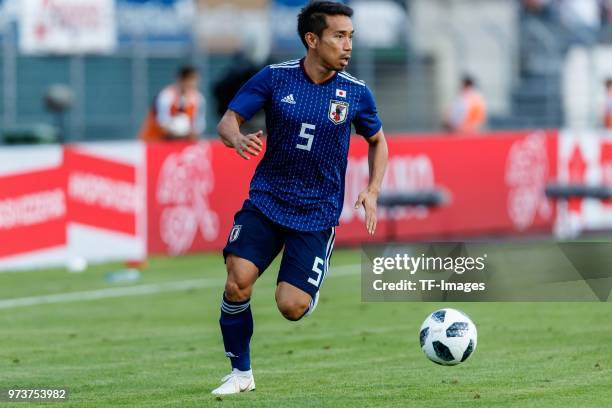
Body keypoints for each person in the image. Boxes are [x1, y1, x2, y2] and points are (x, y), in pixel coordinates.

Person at [212, 0, 388, 395]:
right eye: (339, 36)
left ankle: (308, 283)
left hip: (316, 211)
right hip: (268, 200)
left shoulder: (356, 93)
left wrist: (373, 189)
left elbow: (378, 142)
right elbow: (227, 121)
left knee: (290, 306)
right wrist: (237, 138)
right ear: (312, 39)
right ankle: (241, 373)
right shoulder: (275, 79)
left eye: (351, 37)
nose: (348, 46)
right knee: (237, 282)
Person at [138, 65, 205, 142]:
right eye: (190, 80)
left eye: (195, 80)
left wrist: (190, 133)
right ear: (181, 80)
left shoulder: (199, 99)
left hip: (182, 143)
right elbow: (162, 124)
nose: (193, 84)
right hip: (155, 141)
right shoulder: (165, 96)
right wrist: (178, 132)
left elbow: (198, 127)